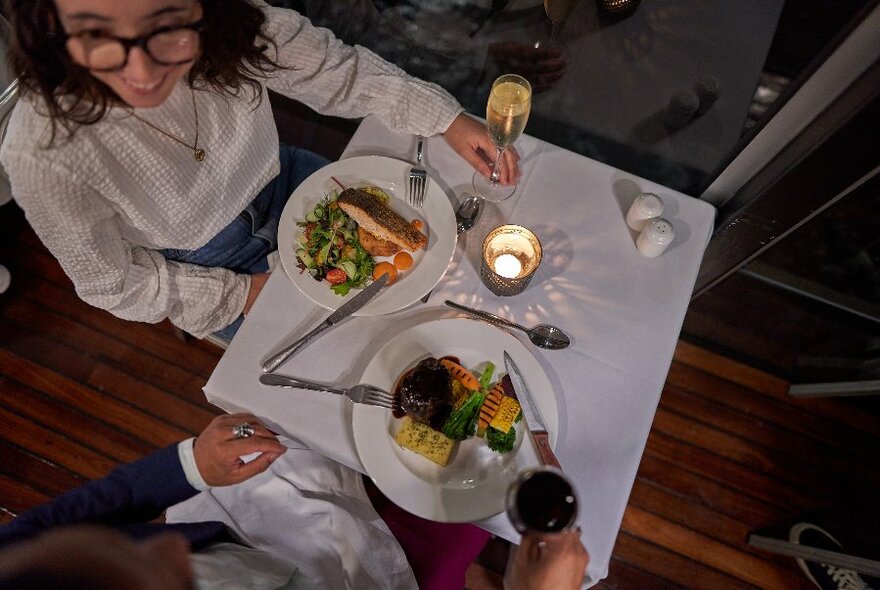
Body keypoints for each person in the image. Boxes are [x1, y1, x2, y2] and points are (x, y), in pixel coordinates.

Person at [0, 0, 520, 343]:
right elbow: (112, 283)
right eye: (96, 35)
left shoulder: (230, 24)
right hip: (205, 265)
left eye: (167, 25)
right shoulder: (41, 152)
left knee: (418, 301)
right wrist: (237, 295)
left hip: (290, 176)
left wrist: (445, 119)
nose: (142, 73)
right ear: (49, 30)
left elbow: (335, 70)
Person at [0, 414, 589, 590]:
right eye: (172, 582)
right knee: (466, 520)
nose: (174, 548)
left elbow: (56, 524)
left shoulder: (19, 568)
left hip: (260, 542)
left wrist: (188, 466)